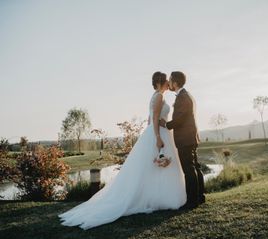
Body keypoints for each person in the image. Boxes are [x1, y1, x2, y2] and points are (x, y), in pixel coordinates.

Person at [59, 72, 186, 230]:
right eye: (166, 80)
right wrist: (157, 137)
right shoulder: (159, 96)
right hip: (158, 134)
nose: (169, 82)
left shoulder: (156, 95)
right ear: (161, 82)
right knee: (157, 165)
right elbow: (153, 119)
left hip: (158, 132)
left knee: (154, 168)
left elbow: (150, 119)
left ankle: (157, 197)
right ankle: (158, 198)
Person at [160, 71, 205, 209]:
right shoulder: (186, 95)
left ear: (175, 82)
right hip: (190, 137)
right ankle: (199, 197)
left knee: (189, 169)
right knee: (195, 167)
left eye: (171, 80)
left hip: (186, 138)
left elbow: (180, 119)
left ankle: (192, 201)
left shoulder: (183, 97)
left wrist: (166, 125)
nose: (170, 83)